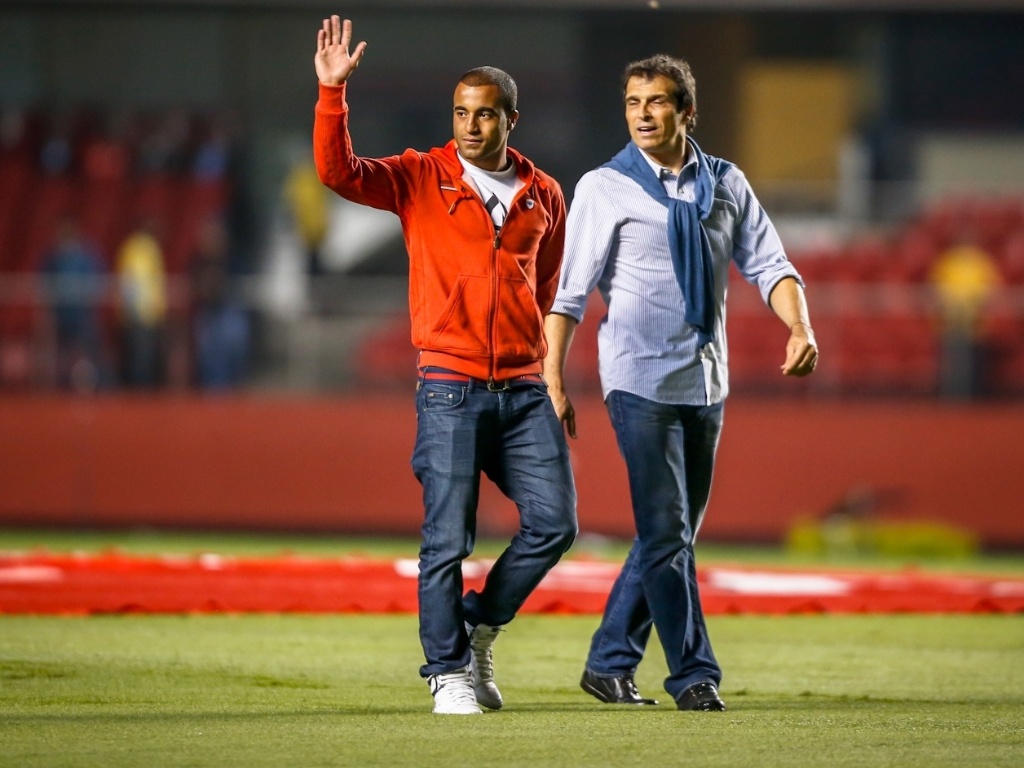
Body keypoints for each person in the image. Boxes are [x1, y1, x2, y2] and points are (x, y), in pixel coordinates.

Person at [312, 16, 577, 715]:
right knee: (447, 538)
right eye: (460, 112)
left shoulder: (544, 193)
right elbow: (339, 173)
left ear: (511, 119)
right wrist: (332, 95)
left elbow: (544, 287)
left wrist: (547, 371)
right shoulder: (419, 177)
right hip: (450, 386)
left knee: (555, 524)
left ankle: (480, 626)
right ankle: (447, 671)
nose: (469, 125)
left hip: (521, 388)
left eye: (484, 114)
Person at [543, 54, 818, 713]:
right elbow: (570, 293)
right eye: (633, 101)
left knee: (670, 535)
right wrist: (552, 377)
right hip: (636, 383)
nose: (643, 113)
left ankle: (609, 663)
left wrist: (800, 328)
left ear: (687, 112)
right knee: (667, 534)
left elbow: (771, 264)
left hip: (706, 384)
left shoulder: (726, 184)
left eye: (657, 101)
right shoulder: (603, 186)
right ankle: (694, 675)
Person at [929, 229, 1002, 399]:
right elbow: (937, 287)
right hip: (951, 318)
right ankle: (951, 393)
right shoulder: (948, 261)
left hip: (975, 319)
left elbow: (991, 288)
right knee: (952, 357)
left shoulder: (981, 261)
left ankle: (974, 393)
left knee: (974, 357)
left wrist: (975, 304)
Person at [114, 218, 168, 388]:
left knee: (145, 359)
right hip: (141, 315)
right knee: (140, 360)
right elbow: (130, 282)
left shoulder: (137, 248)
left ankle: (141, 395)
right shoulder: (138, 249)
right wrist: (132, 311)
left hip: (146, 314)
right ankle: (138, 396)